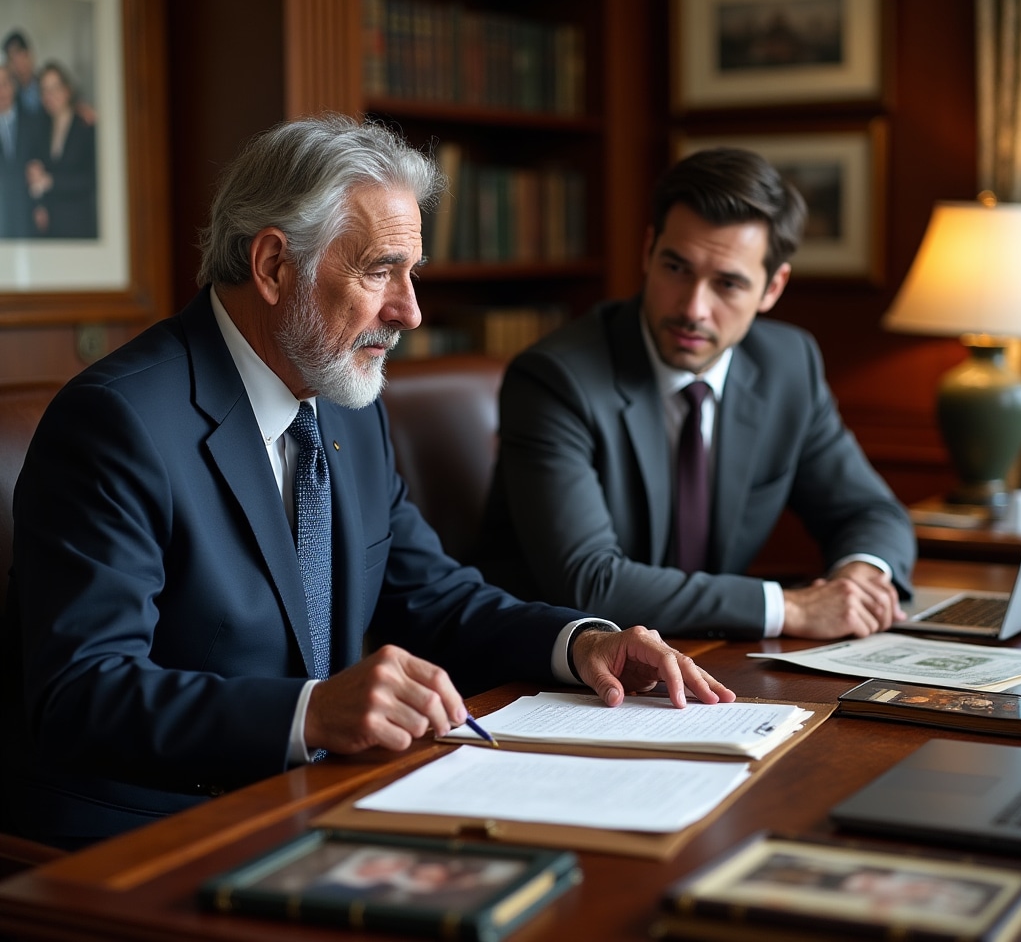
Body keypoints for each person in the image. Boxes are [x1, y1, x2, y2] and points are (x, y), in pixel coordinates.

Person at [0, 114, 735, 851]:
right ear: (273, 266)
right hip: (150, 832)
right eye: (380, 271)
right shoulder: (117, 422)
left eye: (412, 273)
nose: (409, 311)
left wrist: (581, 644)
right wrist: (311, 713)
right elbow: (82, 691)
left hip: (320, 802)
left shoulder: (346, 403)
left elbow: (432, 595)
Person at [476, 147, 916, 641]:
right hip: (559, 662)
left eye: (727, 284)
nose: (693, 309)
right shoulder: (556, 379)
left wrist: (859, 578)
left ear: (773, 288)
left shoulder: (787, 365)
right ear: (648, 251)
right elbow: (590, 582)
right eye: (676, 268)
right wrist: (788, 608)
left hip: (707, 653)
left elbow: (871, 511)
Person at [24, 61, 98, 238]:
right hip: (49, 228)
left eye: (55, 88)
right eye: (44, 90)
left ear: (67, 90)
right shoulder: (41, 128)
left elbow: (91, 179)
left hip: (79, 225)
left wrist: (51, 181)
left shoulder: (85, 126)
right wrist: (39, 204)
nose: (49, 95)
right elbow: (36, 177)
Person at [0, 64, 44, 238]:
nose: (1, 91)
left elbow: (42, 164)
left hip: (28, 216)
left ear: (14, 86)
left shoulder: (34, 121)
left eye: (5, 83)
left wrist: (40, 205)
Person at [2, 30, 41, 115]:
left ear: (29, 55)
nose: (18, 65)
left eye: (20, 56)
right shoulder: (10, 95)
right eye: (12, 60)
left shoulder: (45, 85)